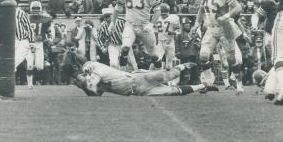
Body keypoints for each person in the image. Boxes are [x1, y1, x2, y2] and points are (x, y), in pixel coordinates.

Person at [192, 0, 243, 93]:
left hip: (225, 28)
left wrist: (226, 16)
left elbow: (238, 7)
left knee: (231, 59)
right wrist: (196, 24)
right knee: (203, 55)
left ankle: (239, 83)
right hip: (211, 28)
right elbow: (201, 10)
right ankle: (209, 82)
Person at [109, 0, 162, 69]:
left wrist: (151, 24)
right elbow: (117, 9)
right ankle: (122, 73)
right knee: (125, 48)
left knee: (153, 54)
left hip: (145, 25)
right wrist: (112, 22)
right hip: (130, 25)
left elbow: (158, 12)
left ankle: (161, 74)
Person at [75, 60, 211, 96]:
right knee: (173, 92)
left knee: (168, 75)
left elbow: (92, 88)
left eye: (86, 72)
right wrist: (84, 87)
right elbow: (96, 94)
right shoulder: (96, 78)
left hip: (139, 79)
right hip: (139, 92)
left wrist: (84, 84)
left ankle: (183, 66)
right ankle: (203, 86)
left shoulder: (98, 69)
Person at [0, 0, 34, 88]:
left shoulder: (21, 13)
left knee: (12, 64)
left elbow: (29, 29)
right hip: (8, 42)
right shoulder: (0, 13)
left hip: (22, 41)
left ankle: (6, 85)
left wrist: (31, 43)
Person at [155, 3, 181, 70]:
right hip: (160, 42)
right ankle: (157, 76)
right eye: (162, 12)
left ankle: (168, 79)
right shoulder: (156, 18)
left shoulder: (174, 18)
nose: (163, 14)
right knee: (157, 60)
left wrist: (173, 32)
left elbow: (178, 31)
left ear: (168, 11)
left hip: (170, 42)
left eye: (165, 12)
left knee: (169, 65)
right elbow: (154, 31)